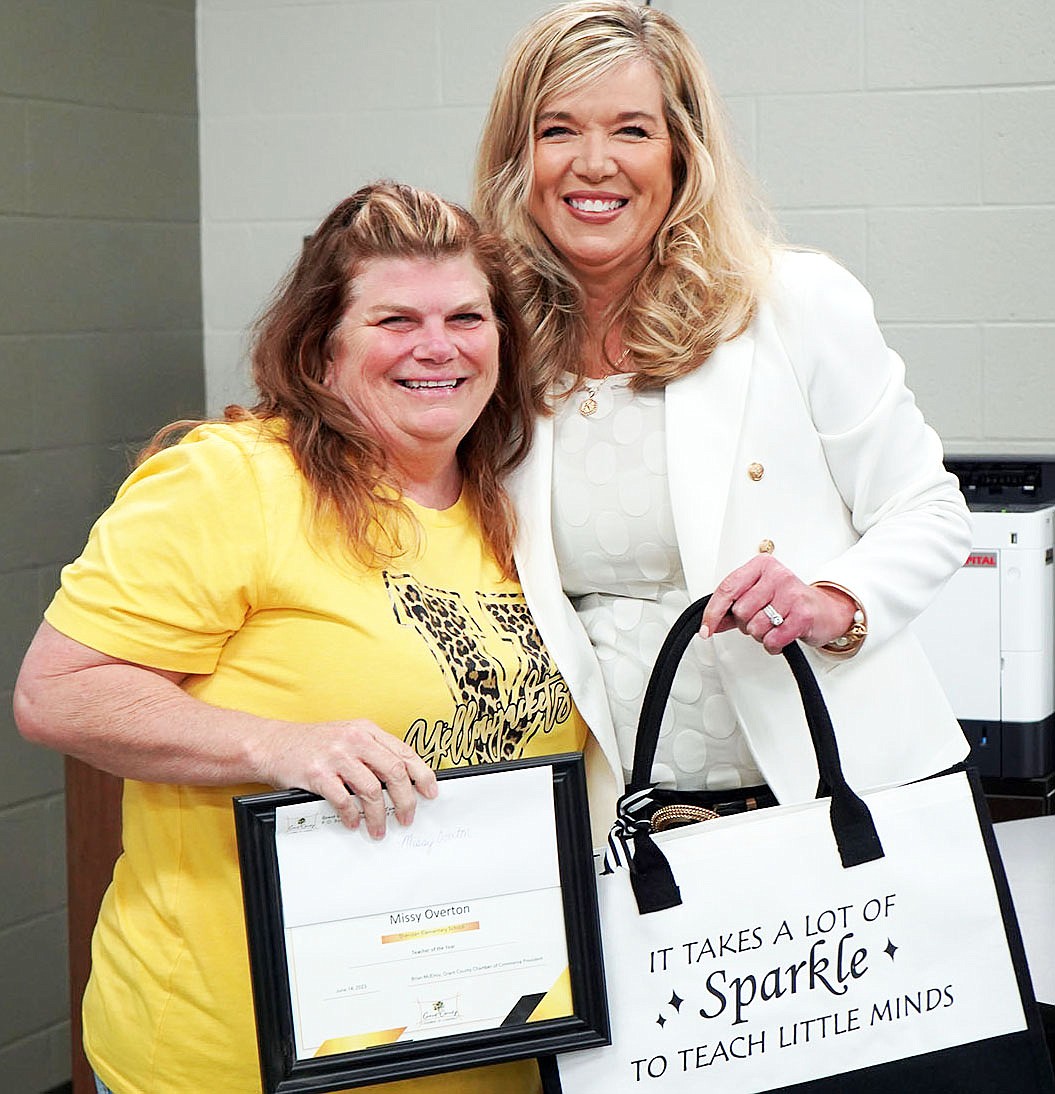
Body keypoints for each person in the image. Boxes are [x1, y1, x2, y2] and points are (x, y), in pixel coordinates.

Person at [14, 183, 605, 1094]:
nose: (437, 347)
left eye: (465, 316)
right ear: (322, 347)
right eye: (394, 319)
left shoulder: (514, 506)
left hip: (482, 1048)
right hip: (237, 1054)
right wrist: (279, 743)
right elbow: (57, 694)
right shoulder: (234, 481)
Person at [474, 0, 972, 816]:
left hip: (820, 786)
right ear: (516, 156)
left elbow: (926, 510)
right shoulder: (494, 342)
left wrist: (830, 601)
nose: (593, 163)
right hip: (616, 808)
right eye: (556, 129)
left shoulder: (791, 300)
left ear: (682, 153)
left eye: (632, 131)